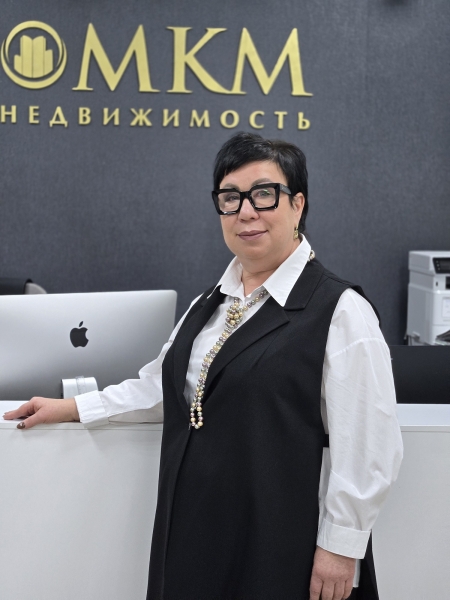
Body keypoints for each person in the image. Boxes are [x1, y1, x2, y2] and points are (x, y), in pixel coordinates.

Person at [4, 132, 403, 600]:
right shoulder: (209, 303)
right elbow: (162, 388)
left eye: (263, 194)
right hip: (196, 530)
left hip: (280, 537)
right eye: (230, 198)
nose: (245, 212)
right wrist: (74, 407)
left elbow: (371, 444)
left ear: (298, 205)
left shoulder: (340, 310)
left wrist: (341, 546)